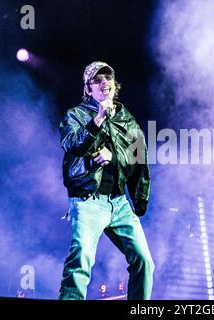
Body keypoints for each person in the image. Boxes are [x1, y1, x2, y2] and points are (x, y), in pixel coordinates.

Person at [58, 61, 154, 300]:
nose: (104, 83)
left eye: (107, 79)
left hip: (119, 202)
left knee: (144, 261)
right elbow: (72, 145)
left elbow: (139, 159)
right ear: (88, 89)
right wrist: (98, 119)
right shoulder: (76, 115)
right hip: (88, 200)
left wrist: (140, 199)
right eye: (97, 80)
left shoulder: (127, 119)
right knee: (81, 259)